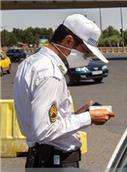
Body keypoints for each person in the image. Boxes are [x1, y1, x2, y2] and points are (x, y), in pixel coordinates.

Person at [14, 14, 114, 168]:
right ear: (68, 41)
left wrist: (76, 115)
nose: (86, 57)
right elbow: (44, 130)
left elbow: (44, 120)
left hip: (42, 158)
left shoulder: (30, 63)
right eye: (85, 52)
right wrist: (88, 117)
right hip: (55, 161)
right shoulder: (50, 73)